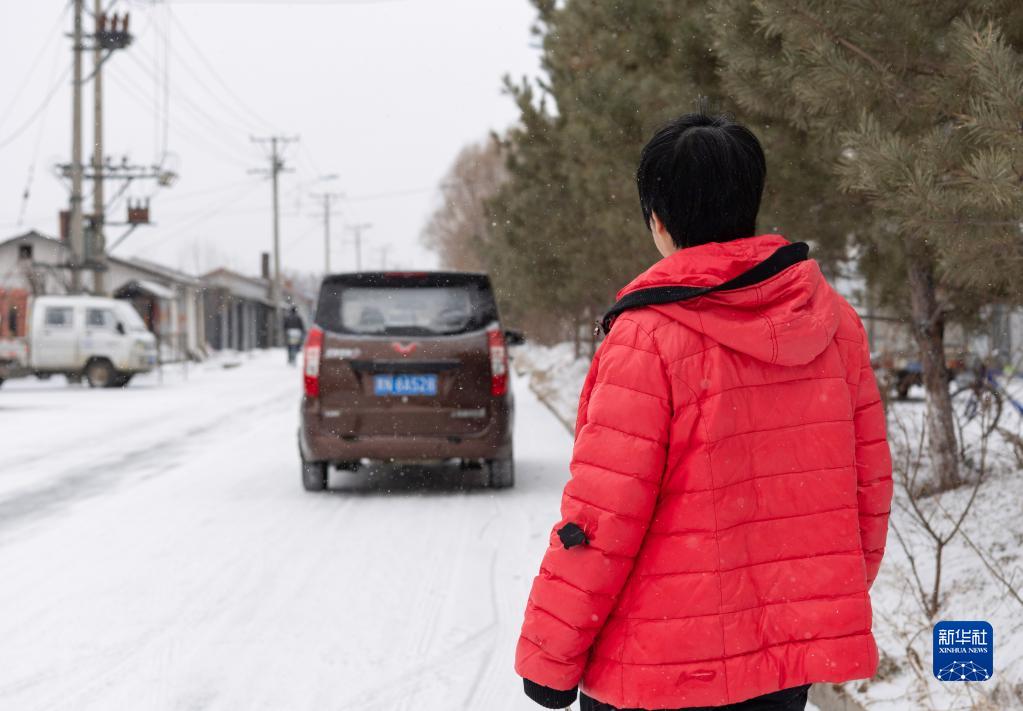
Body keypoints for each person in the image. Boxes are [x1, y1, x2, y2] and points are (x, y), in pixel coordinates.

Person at [515, 112, 894, 711]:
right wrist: (805, 610)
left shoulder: (647, 336)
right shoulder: (832, 322)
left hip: (655, 670)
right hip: (778, 670)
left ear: (658, 222)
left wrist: (551, 655)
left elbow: (604, 516)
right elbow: (867, 488)